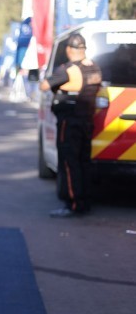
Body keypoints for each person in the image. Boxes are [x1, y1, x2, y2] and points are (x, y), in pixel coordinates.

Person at [39, 32, 101, 218]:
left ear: (68, 50)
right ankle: (84, 201)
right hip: (86, 120)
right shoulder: (94, 67)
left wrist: (59, 86)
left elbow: (44, 85)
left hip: (70, 121)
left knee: (68, 162)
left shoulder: (69, 70)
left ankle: (73, 203)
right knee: (83, 162)